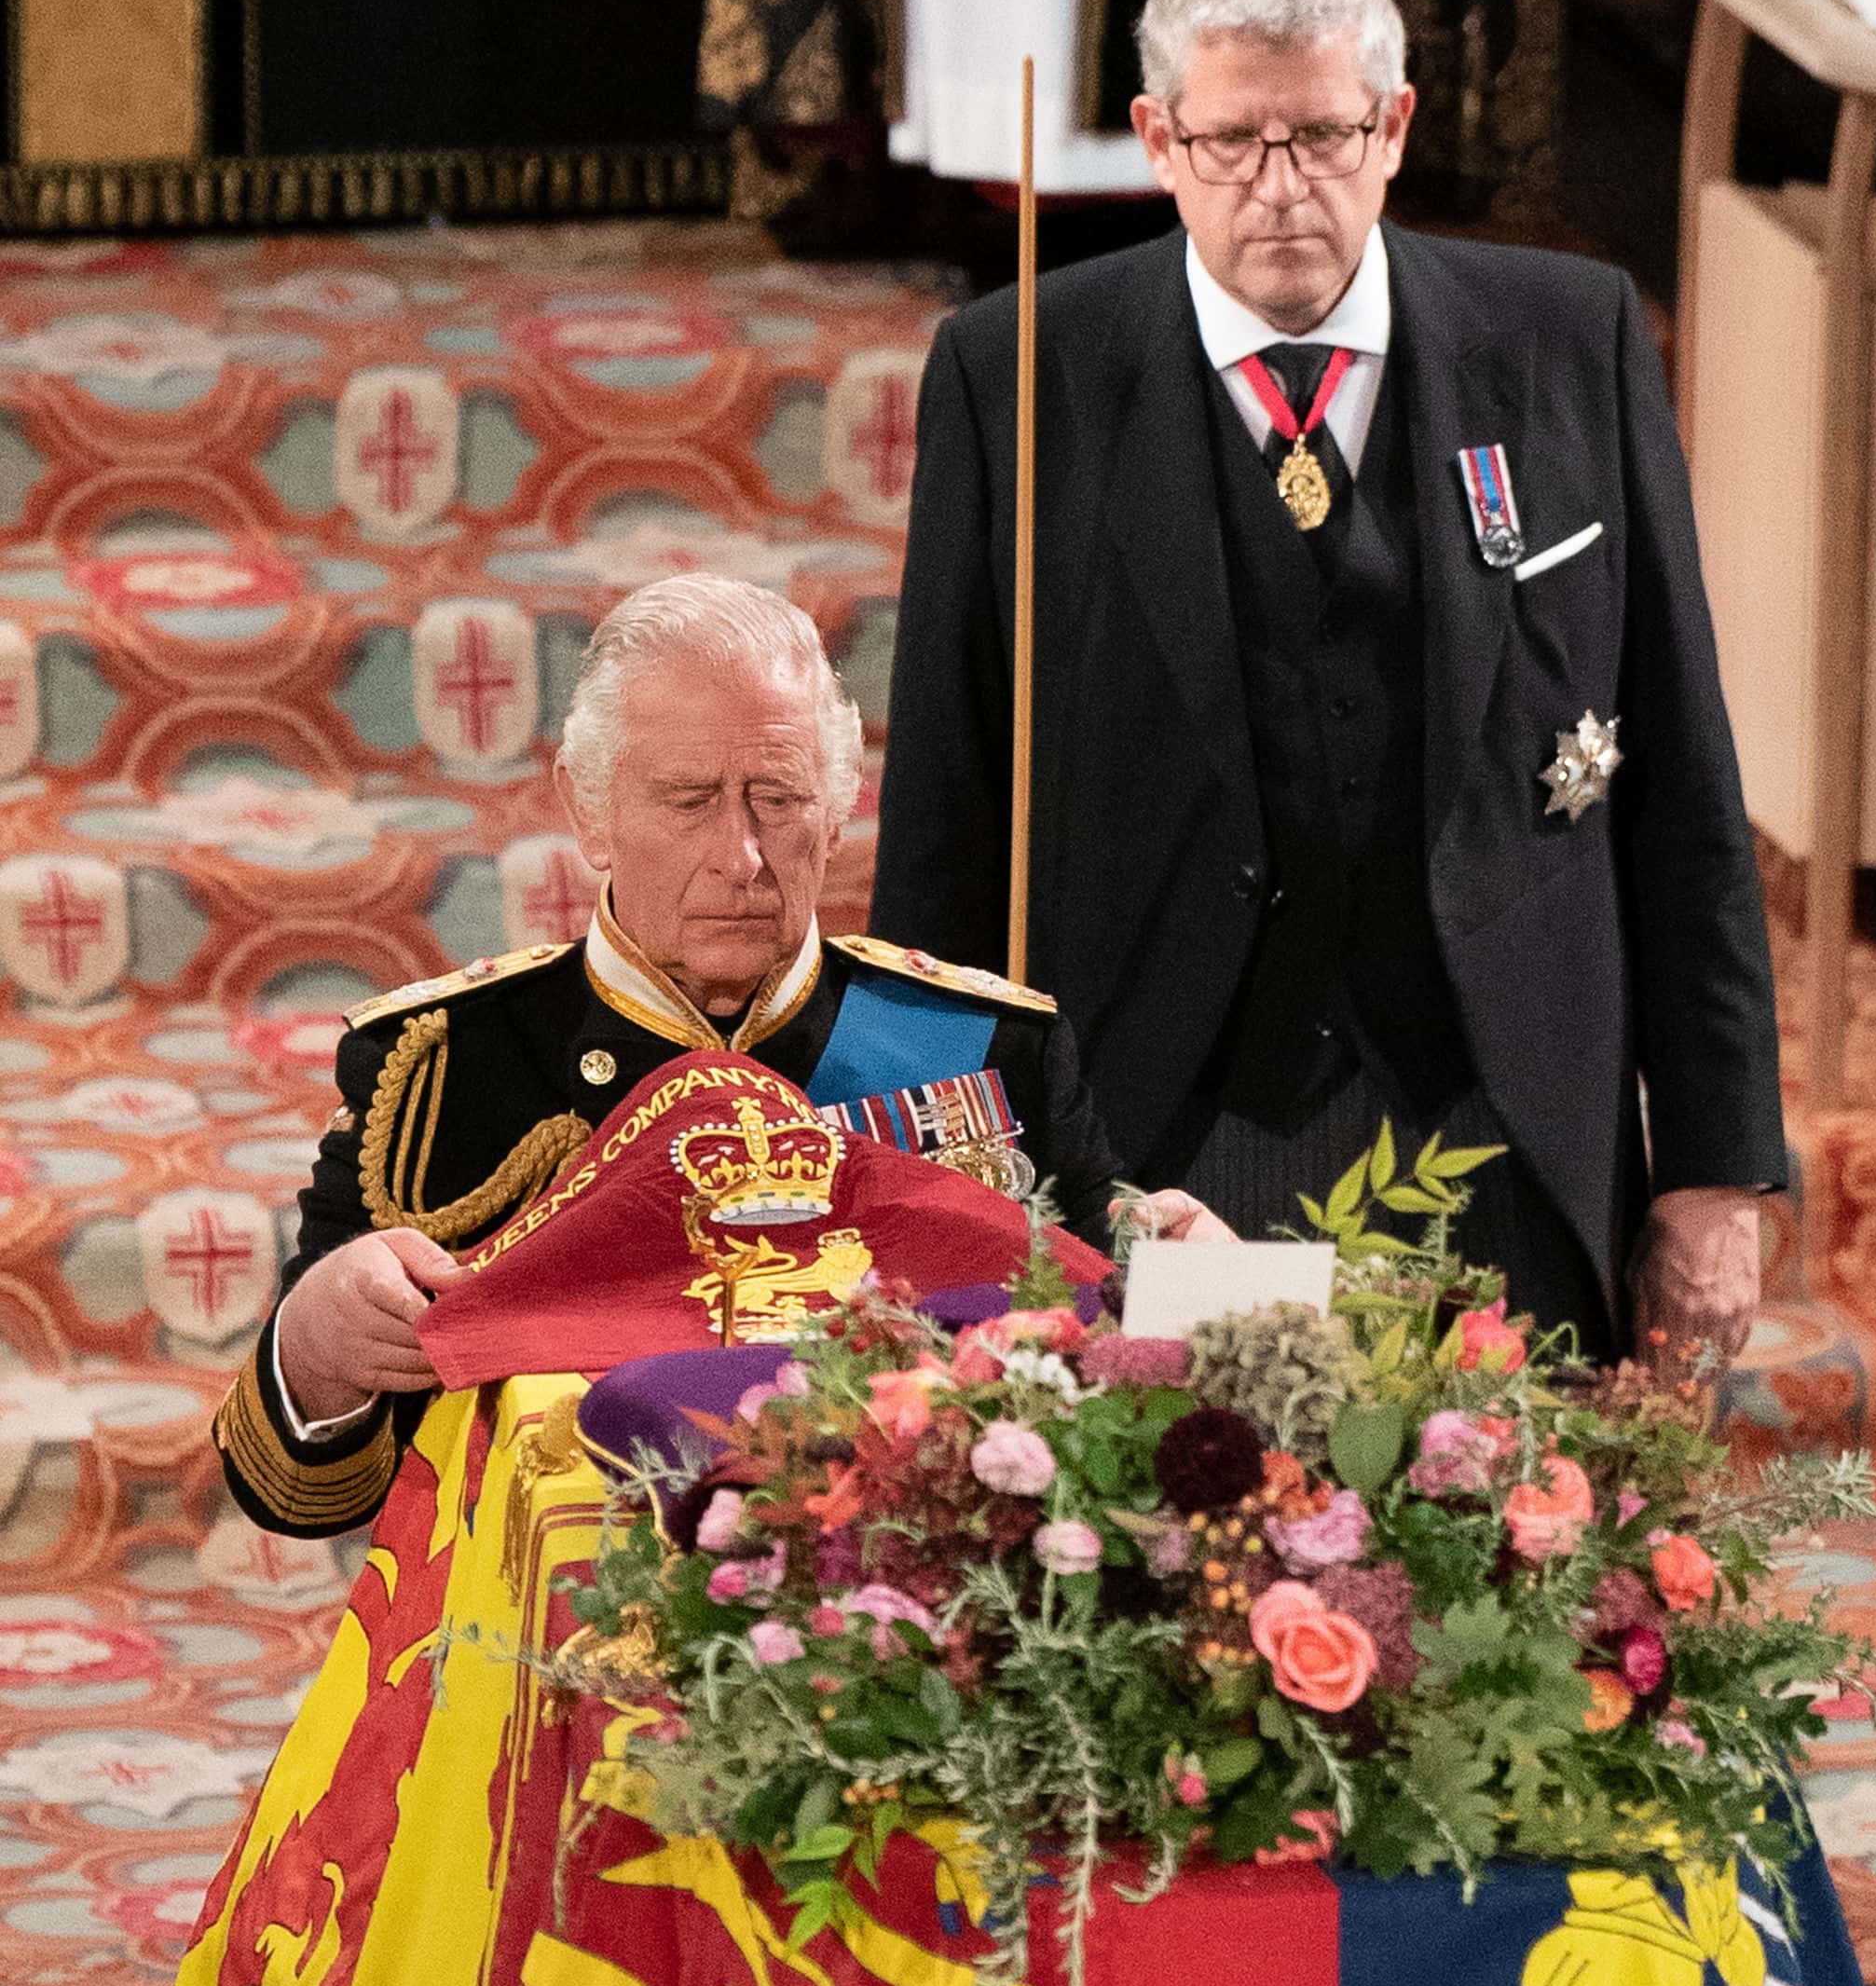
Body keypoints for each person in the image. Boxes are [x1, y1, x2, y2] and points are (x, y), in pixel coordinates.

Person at [870, 0, 1787, 1363]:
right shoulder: (1018, 378)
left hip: (1501, 1127)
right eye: (1234, 143)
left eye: (1325, 136)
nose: (1282, 188)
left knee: (1518, 1567)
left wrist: (1719, 1166)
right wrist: (922, 1194)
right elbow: (941, 817)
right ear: (1157, 140)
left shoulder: (1570, 340)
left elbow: (1681, 779)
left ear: (1398, 125)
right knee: (1233, 1554)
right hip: (1183, 1148)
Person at [214, 575, 1216, 1541]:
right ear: (588, 809)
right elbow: (301, 1497)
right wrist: (314, 1349)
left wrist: (1201, 1287)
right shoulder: (444, 1066)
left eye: (777, 798)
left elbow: (1117, 1360)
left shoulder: (991, 1048)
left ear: (838, 806)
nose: (740, 855)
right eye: (689, 800)